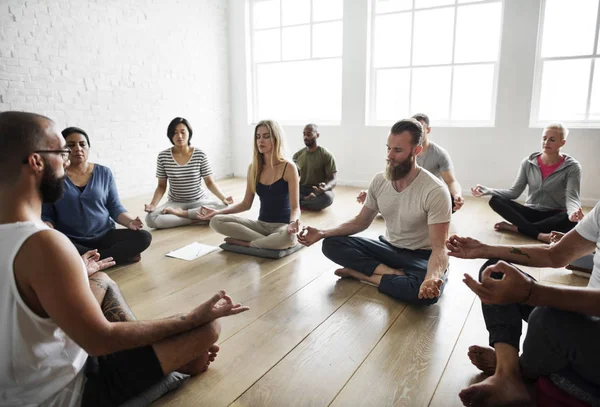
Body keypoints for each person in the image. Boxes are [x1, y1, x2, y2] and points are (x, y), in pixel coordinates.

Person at [0, 111, 249, 406]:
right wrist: (189, 319)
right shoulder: (45, 244)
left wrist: (77, 269)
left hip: (17, 382)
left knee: (102, 278)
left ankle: (161, 361)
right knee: (208, 329)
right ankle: (170, 373)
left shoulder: (31, 241)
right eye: (60, 151)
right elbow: (99, 339)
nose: (68, 159)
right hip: (68, 390)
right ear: (36, 162)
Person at [446, 200, 600, 407]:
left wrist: (532, 292)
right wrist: (486, 250)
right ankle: (506, 375)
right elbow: (556, 254)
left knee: (548, 320)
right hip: (586, 323)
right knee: (497, 272)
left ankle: (519, 369)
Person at [298, 119, 451, 304]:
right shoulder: (379, 181)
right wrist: (322, 233)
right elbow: (360, 222)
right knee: (331, 244)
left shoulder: (435, 191)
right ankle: (391, 273)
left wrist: (431, 278)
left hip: (421, 256)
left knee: (424, 294)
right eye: (388, 148)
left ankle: (363, 275)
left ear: (416, 151)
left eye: (398, 150)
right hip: (389, 248)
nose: (390, 156)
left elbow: (439, 248)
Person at [42, 126, 152, 266]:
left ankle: (90, 261)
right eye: (71, 145)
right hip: (72, 239)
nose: (78, 148)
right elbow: (47, 214)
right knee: (55, 246)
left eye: (82, 144)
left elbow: (114, 207)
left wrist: (130, 222)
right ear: (62, 150)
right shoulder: (53, 177)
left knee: (143, 237)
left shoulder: (104, 173)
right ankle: (110, 257)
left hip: (104, 235)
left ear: (88, 147)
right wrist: (47, 230)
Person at [196, 119, 301, 250]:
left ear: (276, 138)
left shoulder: (289, 167)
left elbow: (295, 207)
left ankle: (248, 243)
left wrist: (292, 223)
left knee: (289, 238)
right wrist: (218, 212)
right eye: (258, 137)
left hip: (283, 227)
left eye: (266, 136)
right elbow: (246, 204)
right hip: (260, 226)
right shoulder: (254, 168)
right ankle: (267, 242)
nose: (260, 141)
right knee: (215, 221)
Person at [471, 123, 583, 243]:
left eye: (552, 140)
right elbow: (514, 192)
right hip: (530, 211)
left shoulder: (572, 167)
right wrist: (489, 191)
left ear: (562, 143)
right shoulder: (528, 162)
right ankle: (539, 234)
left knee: (569, 220)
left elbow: (572, 197)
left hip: (554, 214)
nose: (546, 142)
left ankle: (516, 228)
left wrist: (573, 213)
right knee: (495, 200)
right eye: (544, 138)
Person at [357, 113, 464, 212]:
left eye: (420, 128)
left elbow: (451, 181)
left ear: (428, 130)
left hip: (428, 195)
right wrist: (371, 194)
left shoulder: (440, 154)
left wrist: (457, 196)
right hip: (407, 193)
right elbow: (393, 180)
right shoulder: (399, 153)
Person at [144, 117, 233, 229]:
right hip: (175, 203)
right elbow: (161, 186)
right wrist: (153, 205)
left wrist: (223, 198)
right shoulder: (163, 156)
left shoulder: (200, 154)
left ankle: (182, 215)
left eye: (183, 132)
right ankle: (196, 219)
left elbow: (209, 182)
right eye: (175, 133)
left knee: (225, 208)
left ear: (189, 133)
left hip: (199, 201)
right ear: (170, 135)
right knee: (151, 219)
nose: (179, 136)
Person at [292, 123, 337, 211]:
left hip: (317, 191)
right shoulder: (297, 155)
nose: (305, 137)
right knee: (282, 190)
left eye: (309, 134)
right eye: (304, 134)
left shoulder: (326, 155)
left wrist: (325, 188)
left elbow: (333, 179)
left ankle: (299, 203)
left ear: (317, 135)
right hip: (302, 189)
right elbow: (292, 178)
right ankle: (305, 200)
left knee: (328, 198)